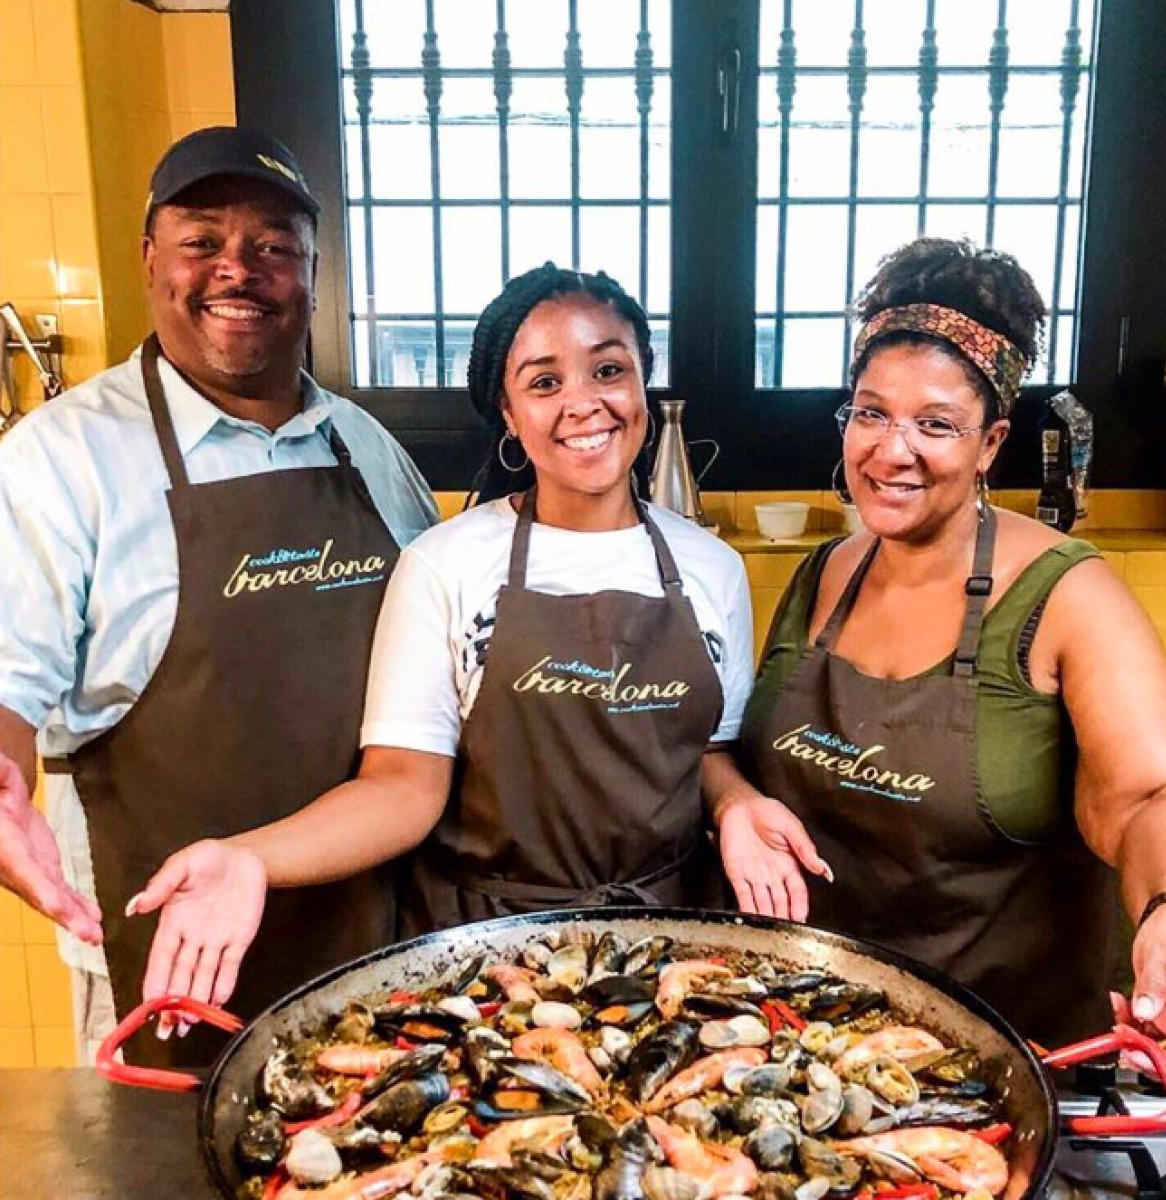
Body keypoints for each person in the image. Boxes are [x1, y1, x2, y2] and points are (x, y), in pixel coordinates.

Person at [129, 263, 830, 1002]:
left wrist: (736, 804)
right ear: (508, 413)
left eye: (608, 370)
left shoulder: (711, 566)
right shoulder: (447, 564)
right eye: (544, 382)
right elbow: (403, 787)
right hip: (490, 956)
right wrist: (252, 858)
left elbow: (708, 753)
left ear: (641, 386)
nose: (584, 403)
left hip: (669, 949)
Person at [0, 126, 438, 1066]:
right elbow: (8, 682)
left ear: (312, 271)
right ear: (149, 258)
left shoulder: (370, 451)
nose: (237, 269)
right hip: (163, 959)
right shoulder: (58, 461)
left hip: (370, 947)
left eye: (273, 245)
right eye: (202, 240)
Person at [738, 237, 1166, 1051]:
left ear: (990, 442)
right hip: (816, 1044)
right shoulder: (823, 576)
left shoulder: (1069, 595)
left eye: (936, 424)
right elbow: (744, 761)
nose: (891, 450)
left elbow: (1153, 795)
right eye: (871, 412)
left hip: (1006, 1056)